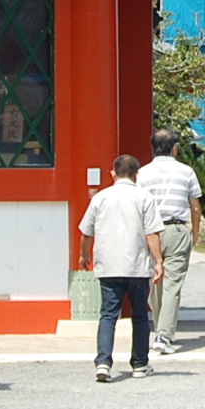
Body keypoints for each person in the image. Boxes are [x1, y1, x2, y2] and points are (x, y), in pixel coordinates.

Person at [77, 154, 165, 383]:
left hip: (108, 265)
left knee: (108, 315)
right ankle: (139, 363)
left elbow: (87, 232)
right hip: (137, 265)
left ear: (113, 173)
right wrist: (158, 260)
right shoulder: (144, 197)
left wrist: (83, 254)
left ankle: (103, 363)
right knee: (139, 316)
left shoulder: (100, 198)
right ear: (137, 174)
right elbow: (151, 233)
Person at [136, 128, 203, 356]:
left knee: (156, 280)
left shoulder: (143, 173)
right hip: (175, 227)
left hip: (151, 229)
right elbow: (195, 205)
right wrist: (194, 231)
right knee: (172, 283)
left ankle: (159, 327)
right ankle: (164, 335)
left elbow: (139, 205)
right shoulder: (186, 171)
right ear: (174, 148)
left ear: (153, 147)